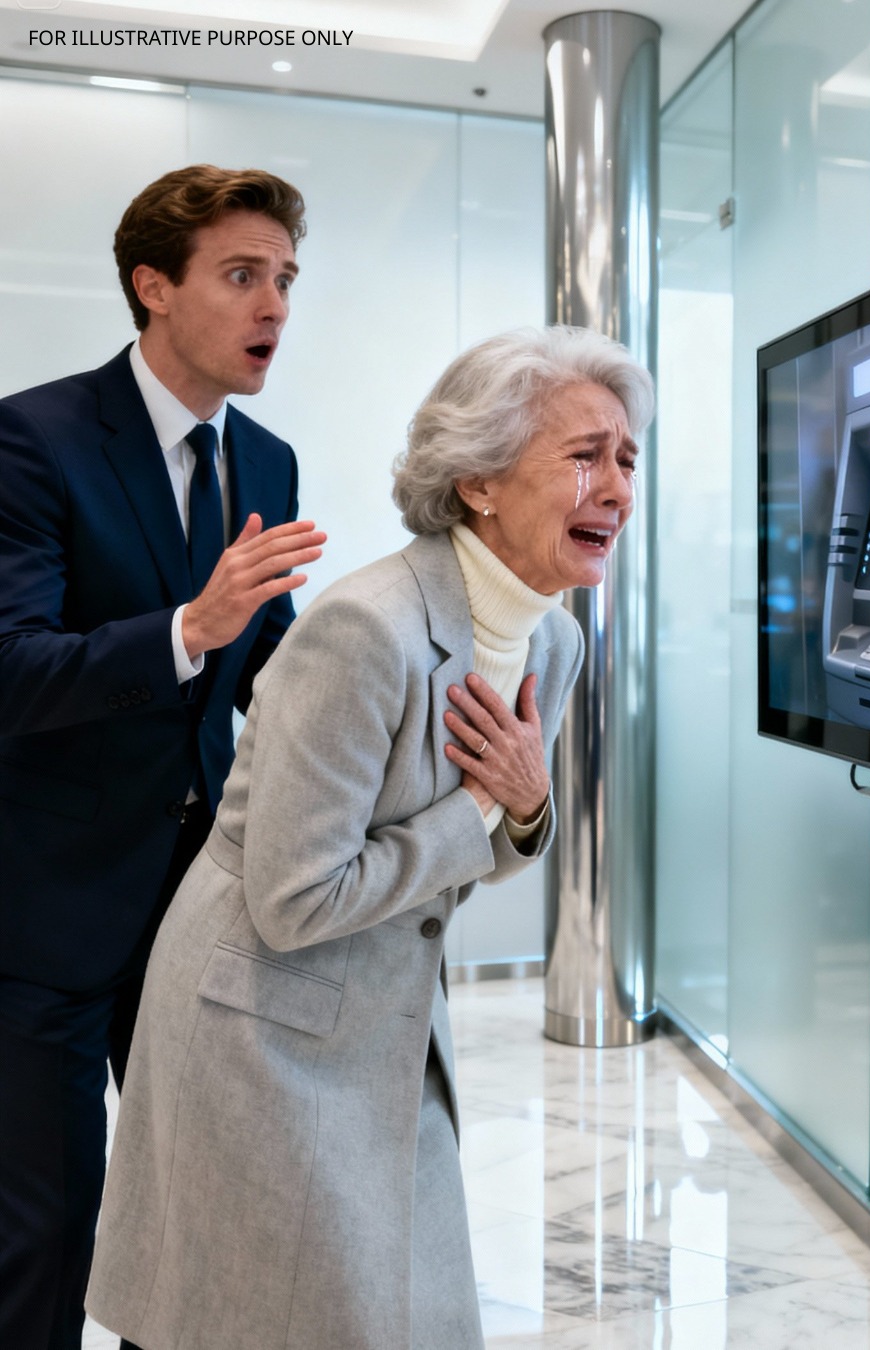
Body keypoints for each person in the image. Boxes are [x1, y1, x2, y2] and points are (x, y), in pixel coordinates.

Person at [84, 325, 655, 1349]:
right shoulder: (363, 632)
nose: (615, 488)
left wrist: (525, 807)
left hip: (387, 1014)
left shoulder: (555, 639)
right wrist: (480, 812)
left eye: (627, 459)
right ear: (478, 481)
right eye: (584, 456)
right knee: (249, 1316)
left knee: (391, 1307)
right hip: (257, 1020)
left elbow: (497, 834)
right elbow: (297, 897)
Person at [0, 164, 326, 1350]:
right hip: (48, 908)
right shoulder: (32, 439)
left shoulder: (268, 461)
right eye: (242, 275)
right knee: (45, 1231)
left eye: (285, 278)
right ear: (153, 286)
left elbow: (274, 666)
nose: (274, 305)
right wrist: (191, 628)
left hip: (205, 900)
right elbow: (14, 669)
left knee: (194, 1219)